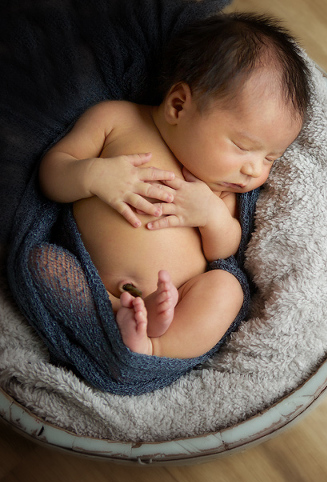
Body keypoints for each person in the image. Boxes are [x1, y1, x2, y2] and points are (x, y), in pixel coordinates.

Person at [38, 12, 310, 359]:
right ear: (178, 106)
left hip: (177, 300)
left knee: (226, 289)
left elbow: (223, 250)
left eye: (270, 158)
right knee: (44, 264)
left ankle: (153, 346)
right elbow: (52, 175)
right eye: (243, 147)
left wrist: (211, 215)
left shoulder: (218, 191)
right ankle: (110, 321)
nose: (254, 170)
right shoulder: (116, 121)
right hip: (93, 286)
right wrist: (93, 175)